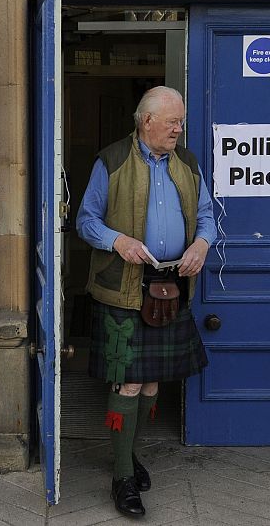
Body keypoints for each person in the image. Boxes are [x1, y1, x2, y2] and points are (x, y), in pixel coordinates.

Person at [76, 86, 217, 517]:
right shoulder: (112, 160)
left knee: (153, 382)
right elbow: (84, 220)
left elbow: (208, 216)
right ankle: (122, 477)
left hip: (171, 284)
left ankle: (130, 455)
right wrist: (116, 240)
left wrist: (201, 245)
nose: (179, 128)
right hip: (123, 287)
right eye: (172, 120)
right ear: (146, 121)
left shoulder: (188, 163)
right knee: (129, 382)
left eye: (181, 120)